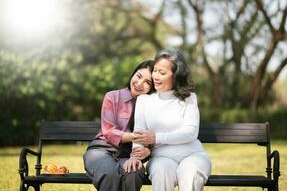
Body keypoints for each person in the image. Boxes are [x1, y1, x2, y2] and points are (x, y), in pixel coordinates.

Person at [125, 49, 211, 191]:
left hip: (192, 155)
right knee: (161, 172)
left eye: (162, 73)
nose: (156, 76)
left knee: (191, 173)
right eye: (155, 71)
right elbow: (139, 132)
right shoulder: (144, 100)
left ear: (176, 76)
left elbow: (191, 133)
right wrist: (136, 155)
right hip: (161, 158)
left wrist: (156, 138)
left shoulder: (189, 98)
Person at [83, 60, 155, 191]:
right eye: (138, 76)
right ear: (133, 74)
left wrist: (147, 151)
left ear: (152, 88)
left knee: (134, 172)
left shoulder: (151, 107)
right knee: (109, 173)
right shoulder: (112, 97)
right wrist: (135, 137)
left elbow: (152, 141)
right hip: (101, 150)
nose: (139, 83)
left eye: (147, 82)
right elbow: (109, 132)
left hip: (128, 155)